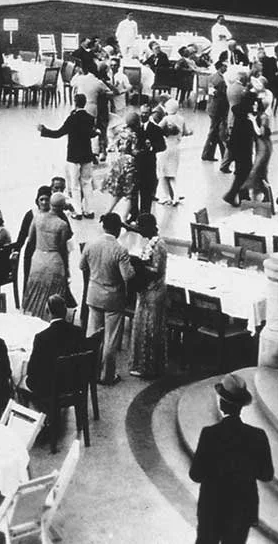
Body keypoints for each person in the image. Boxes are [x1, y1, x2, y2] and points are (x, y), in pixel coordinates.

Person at [189, 373, 274, 544]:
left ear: (222, 404)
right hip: (242, 510)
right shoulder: (258, 435)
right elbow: (266, 474)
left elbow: (195, 475)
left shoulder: (209, 434)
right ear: (241, 406)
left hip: (211, 508)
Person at [81, 213, 135, 385]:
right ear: (118, 229)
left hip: (94, 294)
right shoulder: (120, 250)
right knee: (110, 339)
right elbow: (128, 276)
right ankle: (107, 375)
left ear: (103, 227)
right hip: (113, 298)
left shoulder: (91, 244)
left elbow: (82, 266)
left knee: (92, 335)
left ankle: (90, 371)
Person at [38, 93, 98, 220]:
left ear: (75, 102)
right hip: (87, 154)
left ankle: (77, 211)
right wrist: (96, 132)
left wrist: (44, 130)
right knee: (87, 183)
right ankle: (89, 210)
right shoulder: (90, 118)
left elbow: (58, 133)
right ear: (85, 103)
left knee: (75, 185)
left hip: (73, 155)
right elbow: (91, 134)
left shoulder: (72, 118)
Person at [127, 214, 168, 379]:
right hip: (147, 290)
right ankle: (141, 364)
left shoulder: (159, 245)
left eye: (141, 227)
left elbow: (157, 270)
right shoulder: (151, 243)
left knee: (149, 328)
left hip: (154, 291)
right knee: (142, 325)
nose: (139, 231)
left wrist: (139, 265)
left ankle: (149, 366)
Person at [22, 193, 74, 319]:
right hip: (54, 260)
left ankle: (33, 318)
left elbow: (30, 240)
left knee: (34, 292)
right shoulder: (62, 224)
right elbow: (62, 247)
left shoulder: (37, 218)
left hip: (38, 258)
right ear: (62, 207)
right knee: (54, 296)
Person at [26, 295, 86, 396]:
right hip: (73, 382)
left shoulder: (41, 337)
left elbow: (32, 370)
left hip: (48, 386)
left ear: (48, 311)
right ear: (65, 311)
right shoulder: (78, 332)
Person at [101, 115, 141, 218]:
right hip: (130, 164)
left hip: (119, 162)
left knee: (117, 191)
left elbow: (114, 146)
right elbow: (135, 150)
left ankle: (107, 212)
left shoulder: (122, 133)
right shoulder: (134, 135)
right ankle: (124, 218)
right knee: (130, 194)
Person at [222, 94, 256, 207]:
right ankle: (232, 195)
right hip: (244, 150)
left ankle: (243, 196)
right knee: (243, 174)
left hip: (236, 148)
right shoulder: (248, 120)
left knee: (241, 173)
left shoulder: (239, 114)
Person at [156, 99, 191, 205]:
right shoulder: (181, 119)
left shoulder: (166, 119)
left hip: (164, 148)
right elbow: (186, 132)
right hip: (175, 148)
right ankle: (176, 196)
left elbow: (157, 130)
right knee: (172, 174)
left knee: (162, 174)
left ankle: (166, 197)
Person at [136, 103, 166, 214]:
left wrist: (152, 147)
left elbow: (162, 146)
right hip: (135, 164)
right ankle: (134, 214)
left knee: (146, 192)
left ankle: (145, 214)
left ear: (150, 114)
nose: (143, 115)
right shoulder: (135, 127)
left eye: (146, 113)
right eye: (142, 113)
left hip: (148, 165)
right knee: (133, 193)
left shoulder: (156, 129)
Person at [242, 95, 273, 202]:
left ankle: (265, 195)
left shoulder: (263, 117)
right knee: (261, 172)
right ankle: (266, 196)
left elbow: (260, 132)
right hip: (261, 146)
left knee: (258, 170)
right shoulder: (260, 116)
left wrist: (253, 121)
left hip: (263, 147)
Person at [201, 63, 229, 162]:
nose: (226, 68)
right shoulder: (221, 81)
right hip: (218, 109)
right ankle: (208, 154)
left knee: (215, 132)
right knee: (214, 132)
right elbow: (223, 96)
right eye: (225, 66)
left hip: (212, 107)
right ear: (221, 67)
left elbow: (208, 90)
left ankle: (210, 154)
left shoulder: (212, 77)